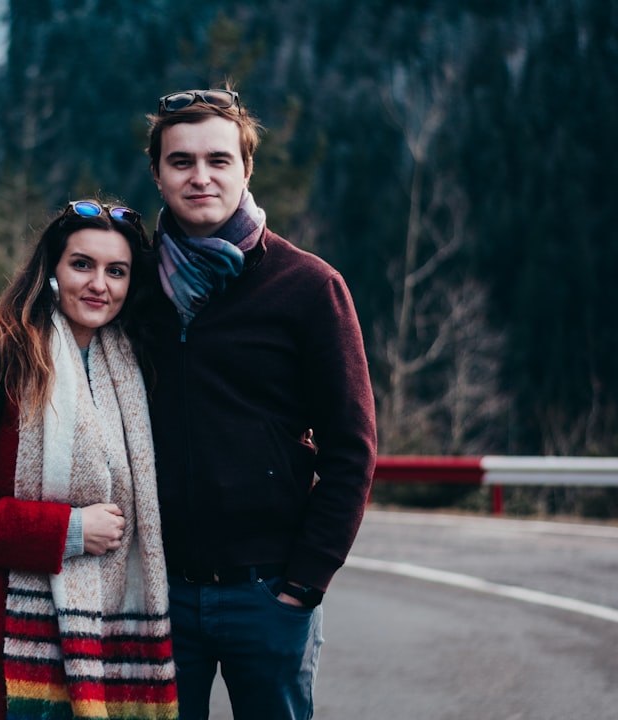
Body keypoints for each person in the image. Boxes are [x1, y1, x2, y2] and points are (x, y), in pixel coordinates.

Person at [141, 86, 378, 719]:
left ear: (246, 170)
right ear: (158, 173)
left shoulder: (308, 287)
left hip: (268, 592)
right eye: (181, 161)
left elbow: (351, 449)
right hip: (156, 592)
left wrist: (304, 583)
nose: (200, 177)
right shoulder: (133, 285)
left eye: (218, 160)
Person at [0, 199, 178, 719]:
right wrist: (68, 531)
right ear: (50, 270)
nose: (100, 284)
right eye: (82, 264)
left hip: (90, 651)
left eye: (116, 271)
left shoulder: (134, 375)